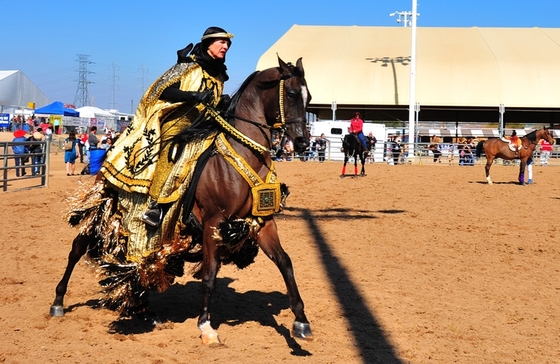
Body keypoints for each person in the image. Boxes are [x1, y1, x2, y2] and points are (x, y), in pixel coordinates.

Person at [99, 26, 234, 228]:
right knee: (174, 156)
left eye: (228, 44)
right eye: (222, 42)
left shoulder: (219, 75)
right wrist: (192, 96)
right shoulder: (188, 65)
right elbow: (161, 91)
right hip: (178, 123)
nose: (226, 47)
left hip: (204, 126)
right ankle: (155, 206)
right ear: (208, 44)